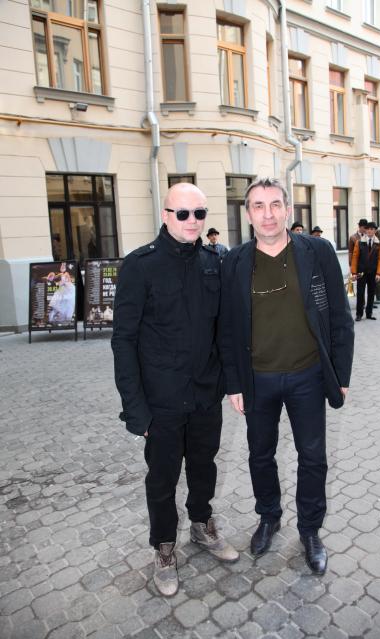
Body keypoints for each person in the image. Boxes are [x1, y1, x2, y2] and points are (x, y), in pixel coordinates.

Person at [219, 177, 354, 575]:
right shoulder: (235, 262)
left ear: (288, 210)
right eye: (258, 206)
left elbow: (340, 317)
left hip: (308, 375)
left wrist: (340, 373)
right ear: (248, 214)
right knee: (260, 454)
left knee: (313, 457)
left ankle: (310, 530)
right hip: (257, 378)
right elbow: (226, 328)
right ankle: (269, 516)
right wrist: (233, 383)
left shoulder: (317, 252)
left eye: (275, 205)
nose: (268, 214)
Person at [111, 183, 238, 597]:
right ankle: (164, 547)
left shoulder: (214, 262)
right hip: (161, 401)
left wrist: (229, 384)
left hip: (205, 395)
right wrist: (135, 410)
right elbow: (123, 341)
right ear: (166, 215)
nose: (192, 221)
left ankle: (201, 525)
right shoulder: (139, 266)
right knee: (162, 479)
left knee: (204, 466)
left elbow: (225, 331)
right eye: (183, 213)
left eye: (199, 213)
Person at [351, 221, 380, 321]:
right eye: (368, 229)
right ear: (365, 230)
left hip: (373, 273)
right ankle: (359, 314)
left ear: (375, 231)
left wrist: (378, 273)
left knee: (371, 293)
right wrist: (354, 272)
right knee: (360, 293)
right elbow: (355, 258)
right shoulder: (359, 242)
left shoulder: (379, 244)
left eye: (372, 229)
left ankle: (369, 313)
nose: (369, 231)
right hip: (361, 272)